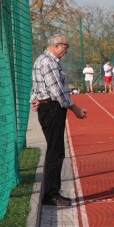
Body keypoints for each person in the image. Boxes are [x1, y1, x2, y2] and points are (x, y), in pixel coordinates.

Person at [30, 33, 88, 206]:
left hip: (49, 106)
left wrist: (35, 98)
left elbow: (37, 86)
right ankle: (51, 194)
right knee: (55, 151)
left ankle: (52, 192)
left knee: (55, 150)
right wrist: (74, 108)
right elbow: (57, 91)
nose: (66, 50)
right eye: (65, 46)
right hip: (52, 108)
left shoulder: (43, 60)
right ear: (56, 45)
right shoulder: (48, 62)